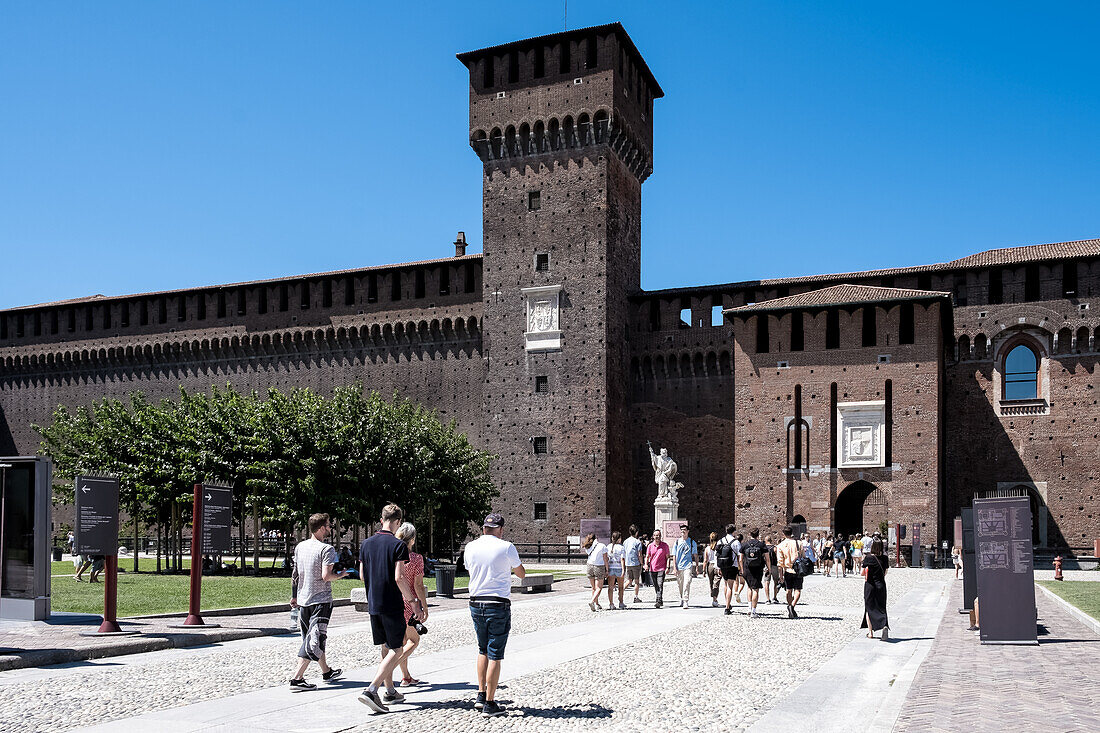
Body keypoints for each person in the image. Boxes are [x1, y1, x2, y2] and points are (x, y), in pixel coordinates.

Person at [357, 504, 425, 713]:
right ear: (397, 522)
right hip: (392, 604)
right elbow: (399, 577)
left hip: (373, 604)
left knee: (386, 648)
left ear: (381, 519)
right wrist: (414, 602)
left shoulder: (366, 544)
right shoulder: (398, 545)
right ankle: (371, 690)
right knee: (396, 649)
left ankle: (390, 691)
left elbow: (362, 575)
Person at [463, 512, 525, 718]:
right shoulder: (506, 546)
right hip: (497, 603)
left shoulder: (470, 547)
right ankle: (490, 703)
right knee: (495, 654)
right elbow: (521, 573)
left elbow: (469, 569)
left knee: (482, 650)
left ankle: (480, 695)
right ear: (500, 529)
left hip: (475, 601)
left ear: (483, 529)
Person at [289, 512, 350, 690]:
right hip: (321, 601)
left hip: (303, 600)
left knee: (312, 636)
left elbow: (295, 574)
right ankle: (297, 678)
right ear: (322, 528)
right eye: (329, 525)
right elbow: (326, 576)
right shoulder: (327, 549)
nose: (330, 528)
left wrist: (294, 595)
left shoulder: (300, 547)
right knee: (315, 639)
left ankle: (326, 671)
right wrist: (341, 575)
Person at [392, 522, 429, 688]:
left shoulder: (392, 556)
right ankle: (387, 669)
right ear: (412, 539)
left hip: (393, 601)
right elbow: (418, 585)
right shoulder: (416, 558)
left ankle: (406, 677)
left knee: (403, 641)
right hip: (410, 603)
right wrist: (424, 606)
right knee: (413, 641)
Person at [739, 528, 771, 618]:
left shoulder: (744, 545)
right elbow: (767, 559)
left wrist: (741, 569)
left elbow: (740, 559)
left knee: (749, 587)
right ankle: (753, 611)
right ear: (758, 535)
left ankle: (749, 608)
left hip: (747, 569)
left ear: (750, 534)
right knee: (755, 589)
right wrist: (769, 569)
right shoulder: (762, 545)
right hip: (758, 569)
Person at [861, 539, 889, 640]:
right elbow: (885, 572)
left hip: (870, 585)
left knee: (869, 607)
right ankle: (884, 625)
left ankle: (870, 632)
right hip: (881, 585)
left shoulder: (868, 558)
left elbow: (862, 573)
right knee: (881, 607)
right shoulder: (885, 558)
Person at [775, 526, 803, 619]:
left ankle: (790, 604)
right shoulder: (799, 543)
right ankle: (792, 606)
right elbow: (803, 556)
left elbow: (780, 563)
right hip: (798, 570)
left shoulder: (780, 546)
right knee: (798, 590)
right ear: (792, 533)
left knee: (788, 590)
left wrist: (781, 576)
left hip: (787, 570)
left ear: (784, 534)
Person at [671, 524, 699, 608]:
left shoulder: (692, 542)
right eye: (681, 530)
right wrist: (674, 568)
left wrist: (697, 566)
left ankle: (686, 600)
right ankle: (682, 598)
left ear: (688, 531)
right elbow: (674, 555)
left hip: (688, 566)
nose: (682, 531)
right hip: (679, 566)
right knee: (680, 584)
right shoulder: (677, 542)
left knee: (687, 582)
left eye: (684, 530)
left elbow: (695, 555)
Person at [582, 533, 609, 611]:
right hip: (599, 566)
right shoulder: (602, 546)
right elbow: (605, 559)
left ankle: (596, 604)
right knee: (599, 588)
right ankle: (592, 601)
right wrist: (607, 569)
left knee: (593, 588)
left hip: (589, 566)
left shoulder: (587, 546)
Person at [715, 524, 739, 615]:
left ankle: (727, 603)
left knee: (725, 585)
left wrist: (718, 567)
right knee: (730, 587)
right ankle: (727, 607)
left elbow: (716, 555)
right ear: (734, 531)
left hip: (723, 565)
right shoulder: (735, 542)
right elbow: (739, 555)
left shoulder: (720, 541)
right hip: (732, 566)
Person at [645, 528, 670, 608]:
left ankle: (658, 600)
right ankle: (660, 598)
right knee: (656, 585)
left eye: (658, 535)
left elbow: (668, 557)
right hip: (653, 568)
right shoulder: (650, 546)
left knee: (660, 584)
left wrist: (668, 567)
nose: (657, 537)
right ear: (653, 536)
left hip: (661, 568)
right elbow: (647, 556)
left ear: (661, 536)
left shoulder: (665, 546)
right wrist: (646, 564)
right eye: (656, 535)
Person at [623, 525, 645, 603]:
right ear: (637, 532)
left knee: (629, 581)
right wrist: (642, 563)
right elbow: (639, 554)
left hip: (628, 563)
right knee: (636, 581)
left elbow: (624, 553)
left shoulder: (625, 541)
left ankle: (621, 592)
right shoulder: (638, 542)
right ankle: (636, 597)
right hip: (635, 563)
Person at [606, 531, 626, 609]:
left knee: (610, 587)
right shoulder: (621, 547)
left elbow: (606, 558)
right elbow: (622, 559)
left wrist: (607, 569)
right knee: (620, 587)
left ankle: (611, 603)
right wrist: (623, 570)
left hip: (611, 567)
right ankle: (621, 602)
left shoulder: (608, 547)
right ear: (619, 539)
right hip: (619, 568)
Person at [703, 532, 722, 608]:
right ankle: (715, 599)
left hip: (710, 566)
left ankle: (713, 597)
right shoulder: (719, 547)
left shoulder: (707, 548)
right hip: (717, 565)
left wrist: (704, 570)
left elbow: (705, 560)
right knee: (716, 583)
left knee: (711, 583)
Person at [764, 534, 781, 604]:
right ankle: (775, 597)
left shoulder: (764, 548)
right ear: (771, 540)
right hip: (774, 566)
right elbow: (778, 557)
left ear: (765, 541)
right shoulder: (775, 548)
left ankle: (768, 599)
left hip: (766, 566)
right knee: (775, 582)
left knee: (766, 582)